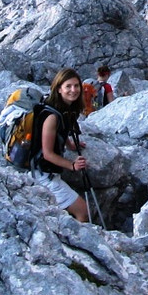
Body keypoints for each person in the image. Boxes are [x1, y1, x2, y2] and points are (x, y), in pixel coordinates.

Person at [37, 67, 90, 222]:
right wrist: (71, 165)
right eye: (68, 86)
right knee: (83, 211)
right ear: (59, 89)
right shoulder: (51, 116)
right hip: (42, 174)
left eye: (76, 86)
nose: (73, 90)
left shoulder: (63, 109)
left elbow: (61, 130)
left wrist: (69, 144)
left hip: (47, 171)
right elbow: (47, 153)